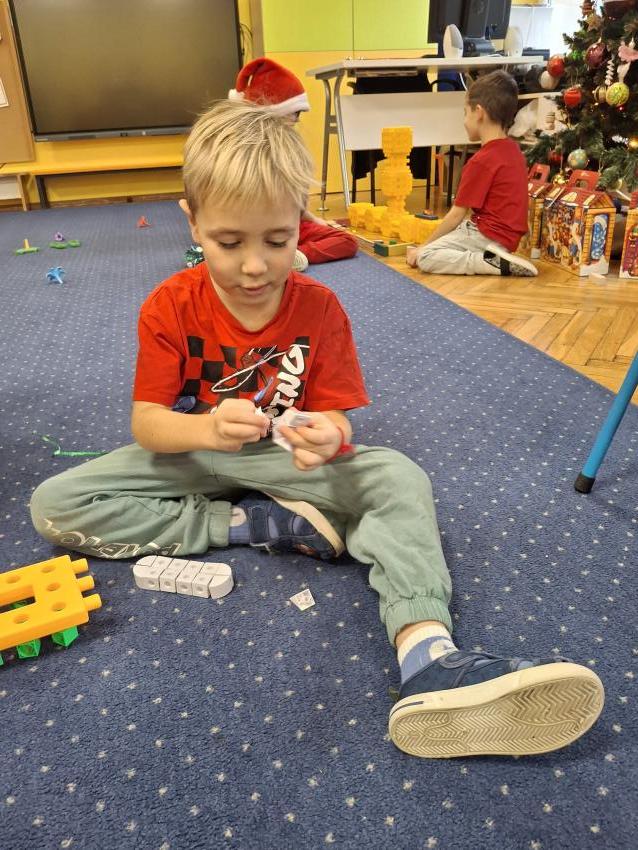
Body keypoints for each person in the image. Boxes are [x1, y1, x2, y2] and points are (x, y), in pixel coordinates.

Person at [29, 99, 604, 759]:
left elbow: (335, 416)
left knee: (398, 477)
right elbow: (149, 424)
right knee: (56, 503)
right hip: (195, 452)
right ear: (192, 221)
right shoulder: (169, 306)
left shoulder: (320, 307)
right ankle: (252, 525)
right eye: (229, 243)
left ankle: (427, 656)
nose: (255, 266)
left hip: (281, 461)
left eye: (277, 241)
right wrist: (209, 430)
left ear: (301, 222)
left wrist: (330, 435)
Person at [229, 56, 358, 271]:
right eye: (295, 113)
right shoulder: (249, 153)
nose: (297, 120)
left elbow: (296, 207)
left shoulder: (290, 152)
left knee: (346, 240)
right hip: (263, 228)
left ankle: (287, 253)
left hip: (281, 229)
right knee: (344, 241)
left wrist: (316, 220)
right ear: (276, 111)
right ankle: (284, 251)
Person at [406, 70, 538, 278]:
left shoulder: (481, 161)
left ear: (479, 112)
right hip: (506, 239)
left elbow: (456, 215)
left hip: (485, 235)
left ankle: (484, 262)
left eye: (465, 113)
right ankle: (494, 258)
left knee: (426, 256)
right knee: (443, 242)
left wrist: (423, 247)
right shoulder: (514, 151)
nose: (464, 120)